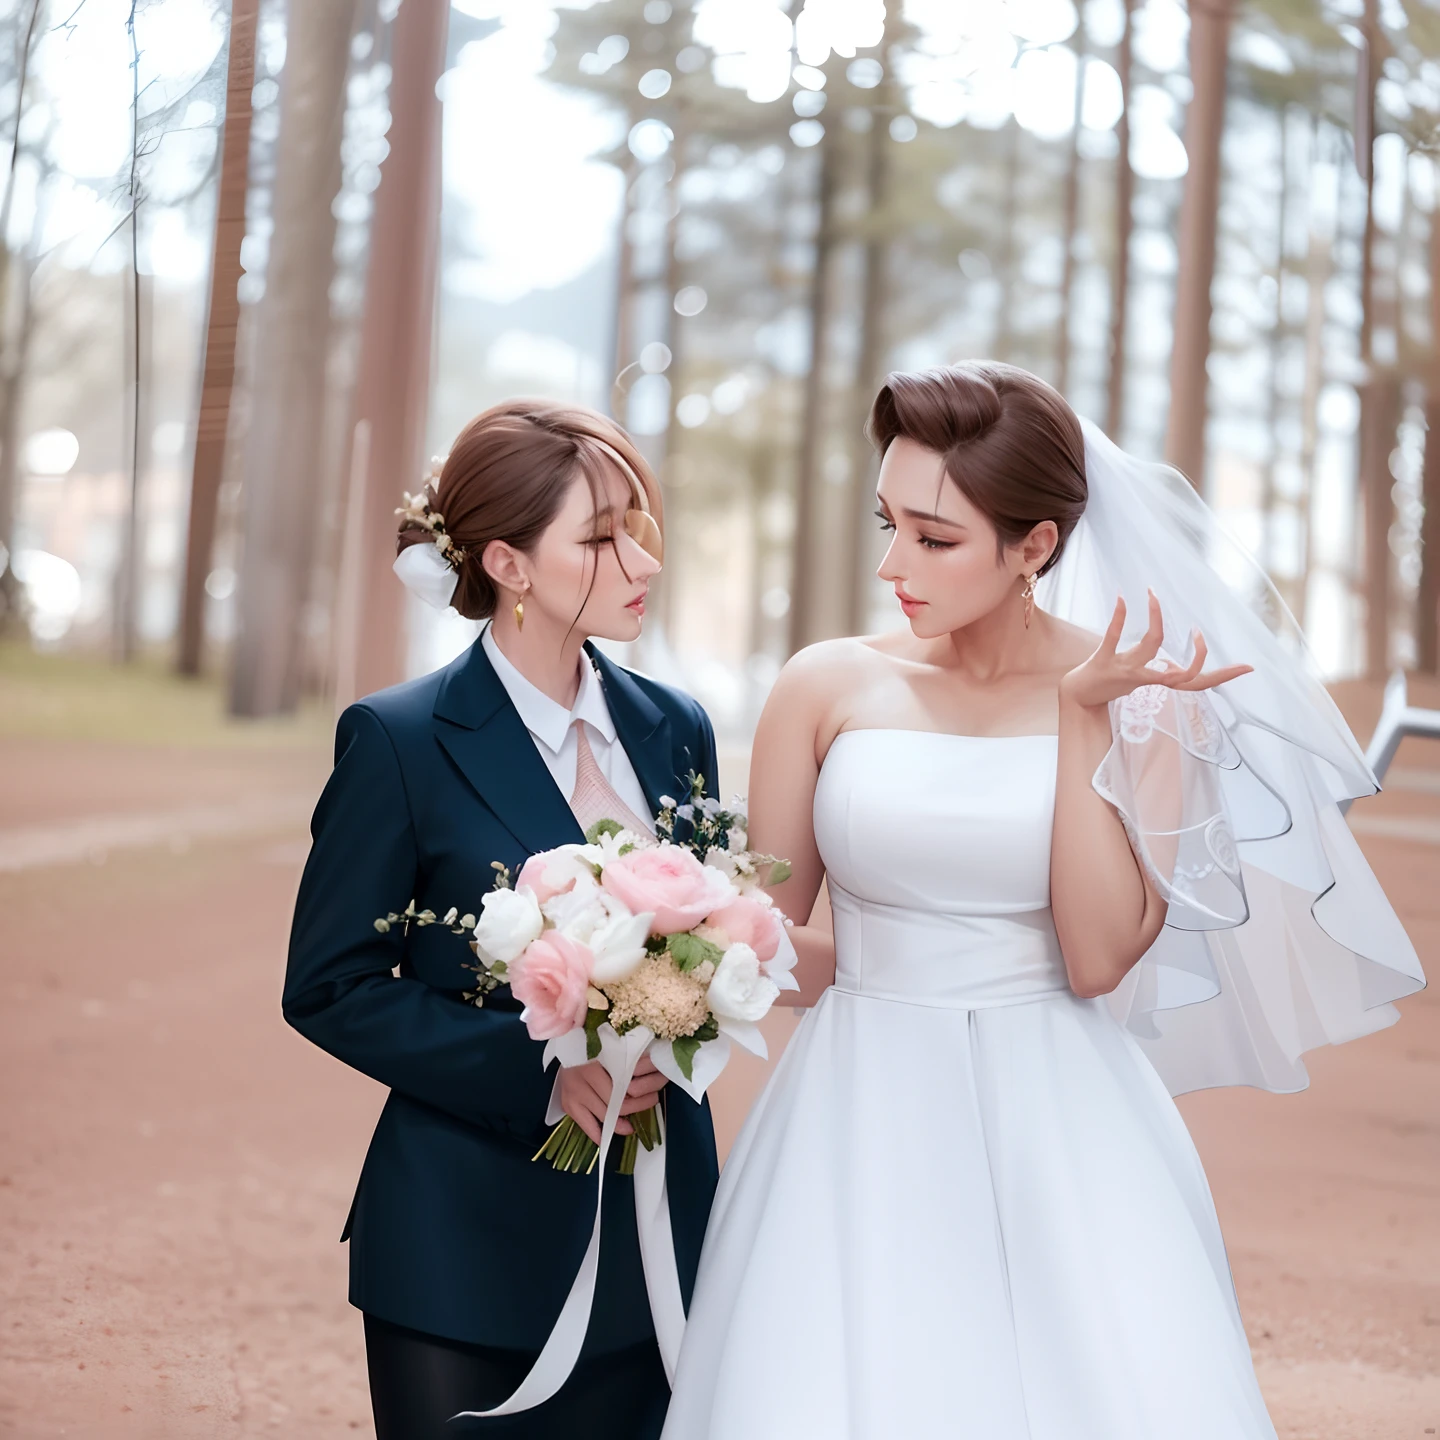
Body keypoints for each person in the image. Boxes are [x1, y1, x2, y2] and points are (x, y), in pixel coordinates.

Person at [661, 363, 1424, 1439]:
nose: (893, 565)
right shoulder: (823, 686)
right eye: (889, 524)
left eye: (934, 538)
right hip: (855, 1107)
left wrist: (1083, 720)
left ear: (1037, 547)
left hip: (1064, 1115)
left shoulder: (1149, 699)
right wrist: (651, 963)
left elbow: (1098, 956)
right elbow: (764, 940)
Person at [283, 400, 720, 1439]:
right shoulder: (397, 741)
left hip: (663, 1223)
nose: (641, 562)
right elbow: (330, 986)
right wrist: (541, 1073)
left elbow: (712, 927)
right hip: (463, 1244)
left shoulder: (677, 728)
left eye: (641, 529)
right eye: (603, 536)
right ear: (508, 566)